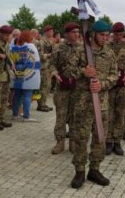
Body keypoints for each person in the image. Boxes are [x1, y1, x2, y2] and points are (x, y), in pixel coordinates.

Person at [69, 20, 117, 189]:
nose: (105, 38)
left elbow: (114, 75)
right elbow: (68, 71)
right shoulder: (81, 51)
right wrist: (83, 71)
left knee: (100, 139)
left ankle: (94, 169)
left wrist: (102, 84)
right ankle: (80, 171)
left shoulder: (109, 53)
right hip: (83, 103)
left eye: (107, 35)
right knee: (80, 138)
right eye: (102, 35)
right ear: (94, 34)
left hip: (101, 104)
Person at [105, 22, 125, 156]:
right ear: (112, 34)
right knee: (108, 113)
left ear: (124, 34)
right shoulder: (106, 47)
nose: (118, 37)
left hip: (124, 85)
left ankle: (117, 141)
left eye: (120, 34)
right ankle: (108, 141)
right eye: (116, 34)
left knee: (120, 113)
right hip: (109, 85)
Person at [50, 22, 81, 154]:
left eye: (78, 32)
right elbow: (52, 65)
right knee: (61, 115)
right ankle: (60, 142)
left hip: (77, 86)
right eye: (74, 32)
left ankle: (73, 142)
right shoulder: (58, 48)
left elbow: (86, 65)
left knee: (75, 115)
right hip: (62, 87)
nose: (76, 34)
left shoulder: (82, 48)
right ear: (67, 34)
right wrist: (55, 73)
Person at [10, 30, 40, 122]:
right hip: (29, 73)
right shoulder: (31, 46)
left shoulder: (14, 47)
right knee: (27, 95)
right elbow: (36, 61)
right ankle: (26, 116)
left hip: (17, 74)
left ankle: (15, 114)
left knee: (17, 94)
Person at [36, 25, 55, 112]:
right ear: (46, 32)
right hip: (43, 67)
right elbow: (40, 56)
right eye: (51, 31)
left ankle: (44, 103)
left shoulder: (49, 41)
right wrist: (50, 55)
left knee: (47, 86)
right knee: (43, 86)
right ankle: (40, 104)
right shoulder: (41, 42)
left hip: (49, 67)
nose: (52, 33)